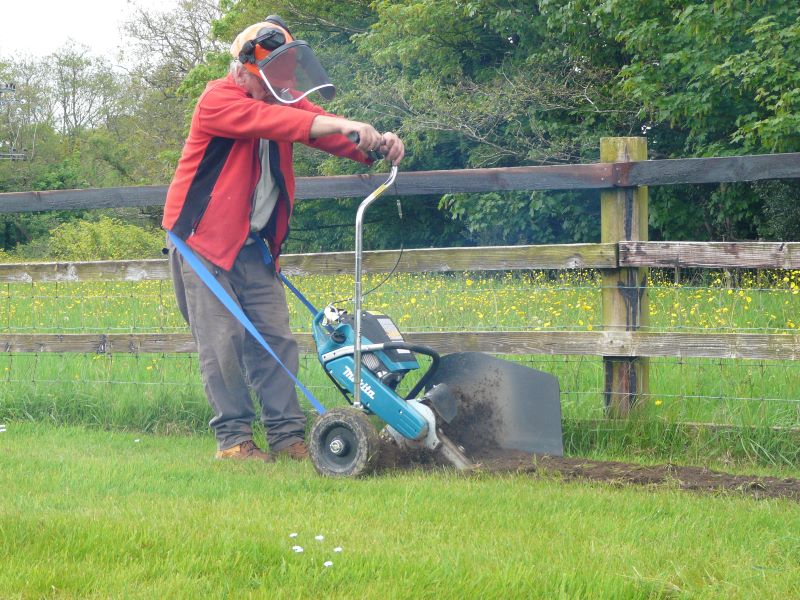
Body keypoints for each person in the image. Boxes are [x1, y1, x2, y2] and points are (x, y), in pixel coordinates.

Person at [162, 16, 404, 463]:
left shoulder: (280, 100)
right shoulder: (218, 99)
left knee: (276, 340)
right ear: (243, 71)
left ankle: (288, 438)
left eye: (282, 75)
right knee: (223, 341)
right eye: (269, 75)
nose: (280, 84)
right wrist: (340, 124)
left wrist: (374, 143)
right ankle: (234, 442)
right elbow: (274, 121)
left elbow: (320, 124)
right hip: (201, 244)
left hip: (254, 245)